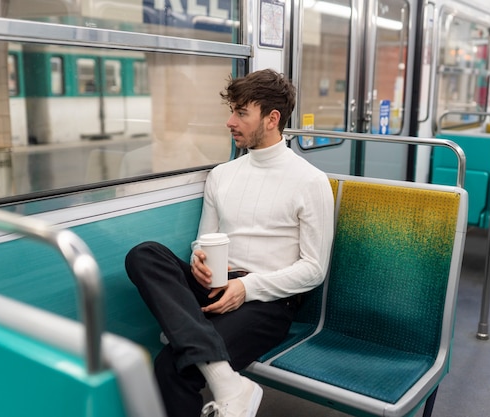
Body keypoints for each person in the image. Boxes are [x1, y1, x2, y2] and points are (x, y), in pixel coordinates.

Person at [125, 68, 335, 417]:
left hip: (266, 301)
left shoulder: (310, 182)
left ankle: (192, 342)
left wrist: (248, 288)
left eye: (241, 113)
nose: (229, 122)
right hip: (214, 285)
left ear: (272, 119)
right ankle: (228, 383)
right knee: (144, 255)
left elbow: (314, 269)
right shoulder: (222, 175)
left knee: (171, 367)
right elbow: (203, 242)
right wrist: (199, 261)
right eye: (232, 111)